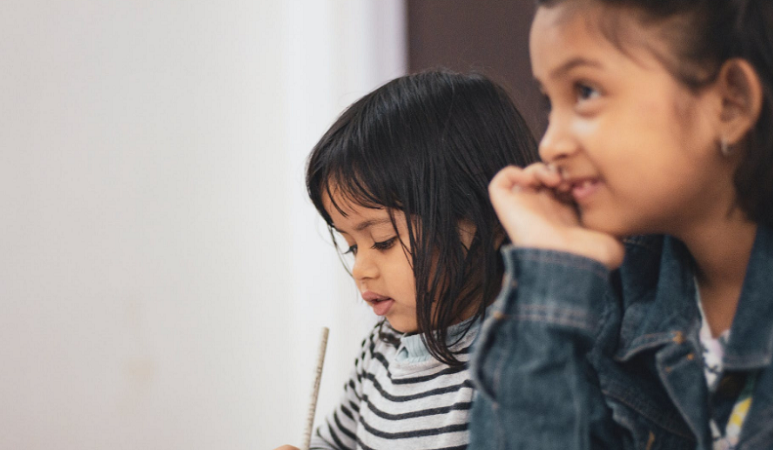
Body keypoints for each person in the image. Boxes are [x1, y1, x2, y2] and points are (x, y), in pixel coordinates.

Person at [468, 1, 773, 449]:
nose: (549, 144)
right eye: (549, 102)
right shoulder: (615, 292)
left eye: (586, 92)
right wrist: (550, 274)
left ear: (731, 103)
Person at [273, 70, 537, 450]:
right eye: (351, 246)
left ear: (492, 218)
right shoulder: (380, 350)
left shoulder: (518, 360)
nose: (360, 269)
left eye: (382, 241)